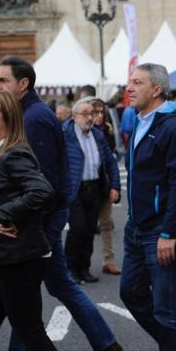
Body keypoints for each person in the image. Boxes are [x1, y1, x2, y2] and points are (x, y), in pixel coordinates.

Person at [0, 56, 124, 351]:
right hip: (44, 218)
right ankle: (107, 344)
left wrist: (25, 217)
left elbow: (42, 179)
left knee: (25, 294)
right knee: (57, 286)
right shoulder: (29, 113)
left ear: (23, 84)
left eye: (3, 80)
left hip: (41, 221)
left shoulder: (34, 118)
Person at [0, 91, 60, 351]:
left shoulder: (13, 154)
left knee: (30, 333)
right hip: (4, 258)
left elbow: (42, 191)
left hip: (18, 259)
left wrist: (3, 215)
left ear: (8, 118)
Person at [120, 63, 176, 351]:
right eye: (130, 82)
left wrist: (168, 232)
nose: (129, 87)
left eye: (137, 82)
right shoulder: (138, 118)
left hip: (164, 229)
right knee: (130, 292)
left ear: (156, 89)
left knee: (168, 309)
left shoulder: (175, 127)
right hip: (137, 227)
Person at [63, 99, 120, 283]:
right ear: (74, 116)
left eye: (91, 114)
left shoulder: (97, 134)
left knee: (88, 230)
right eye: (85, 114)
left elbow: (110, 162)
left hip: (95, 188)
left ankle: (84, 268)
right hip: (75, 190)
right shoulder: (65, 134)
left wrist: (115, 186)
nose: (89, 118)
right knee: (77, 228)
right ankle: (71, 268)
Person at [91, 99, 122, 275]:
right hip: (87, 186)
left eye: (101, 112)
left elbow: (111, 160)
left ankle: (108, 260)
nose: (99, 116)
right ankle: (81, 263)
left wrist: (115, 186)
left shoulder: (107, 131)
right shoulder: (80, 132)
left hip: (104, 183)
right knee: (84, 226)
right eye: (95, 112)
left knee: (107, 223)